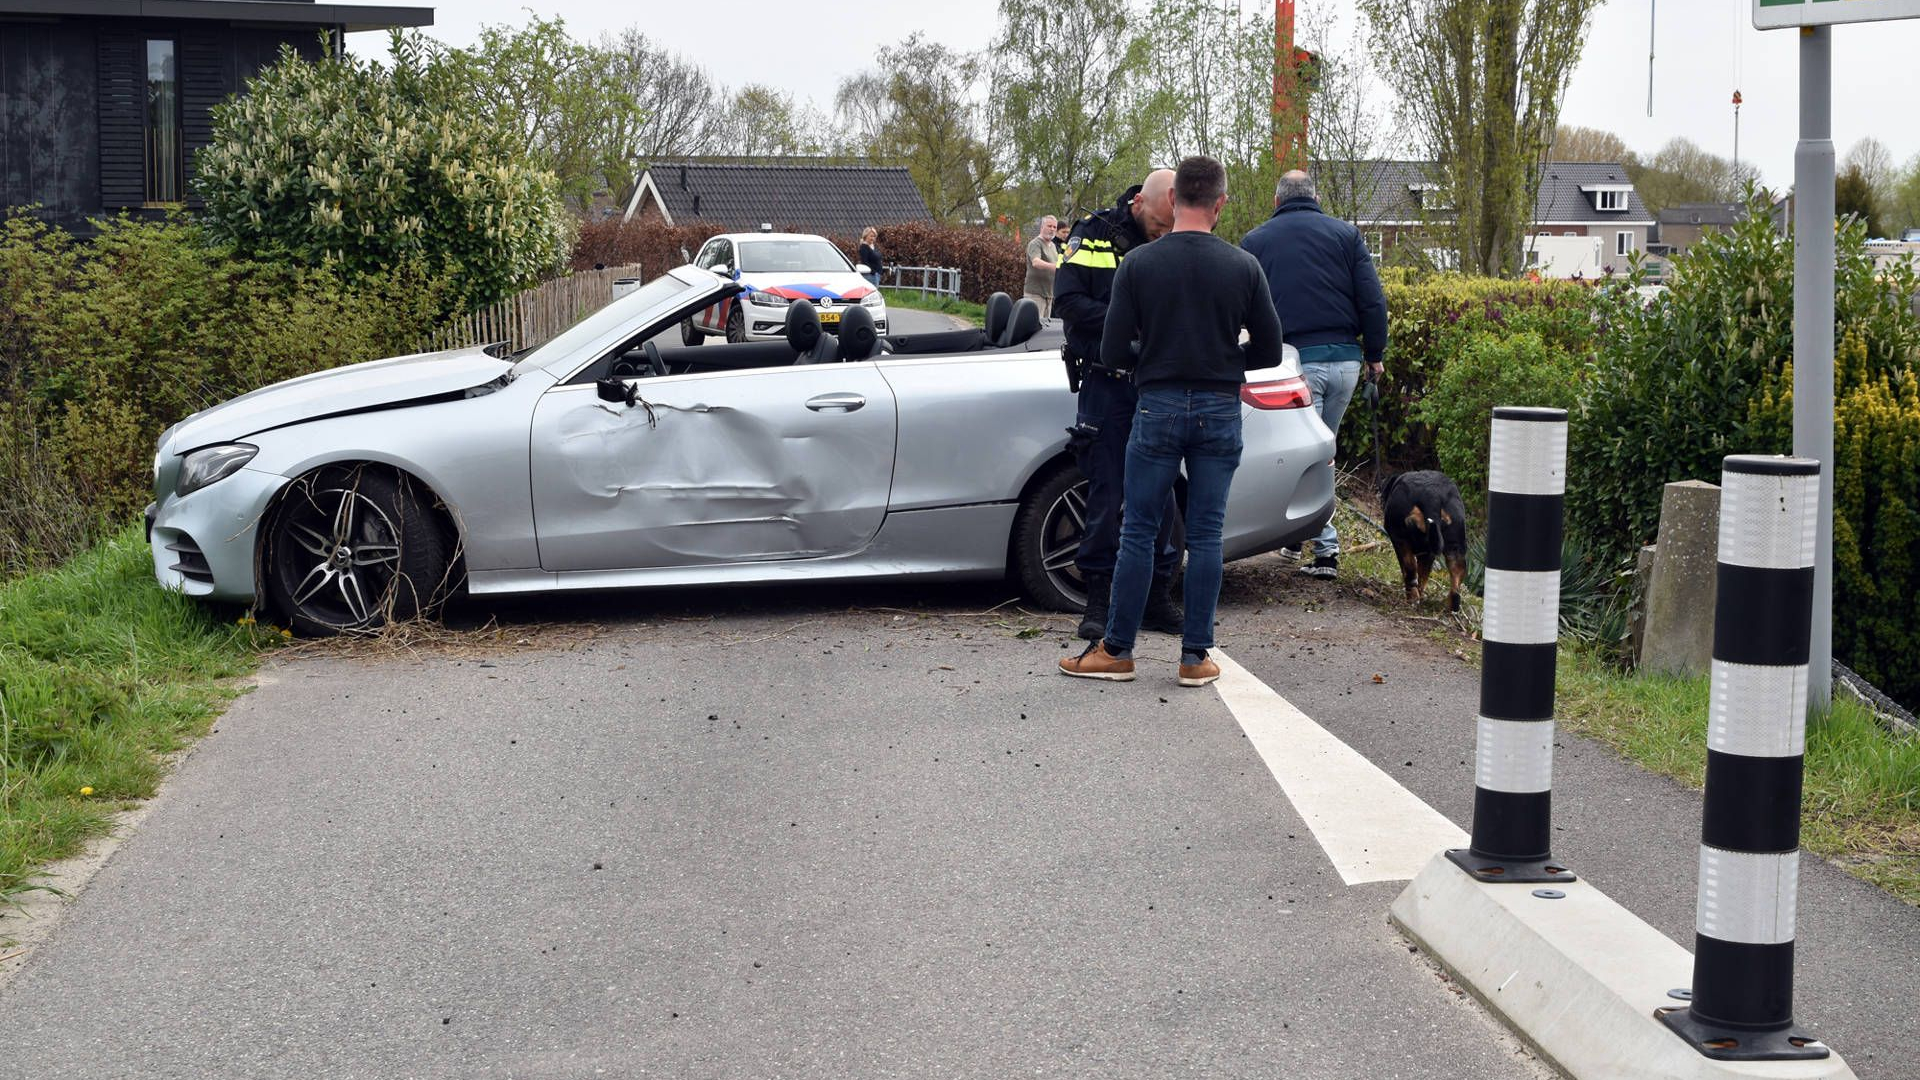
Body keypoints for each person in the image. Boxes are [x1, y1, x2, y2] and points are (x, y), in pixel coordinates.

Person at [1058, 155, 1282, 688]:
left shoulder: (1139, 265)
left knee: (1137, 529)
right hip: (1219, 410)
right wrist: (1225, 363)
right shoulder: (1243, 266)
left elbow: (1113, 347)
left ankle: (1116, 651)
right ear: (1220, 204)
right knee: (1204, 535)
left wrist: (1155, 359)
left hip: (1155, 405)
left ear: (1174, 200)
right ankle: (1194, 657)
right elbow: (1270, 349)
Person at [1053, 169, 1184, 641]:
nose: (1166, 233)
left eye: (1174, 226)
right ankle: (1097, 603)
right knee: (1106, 496)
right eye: (1161, 223)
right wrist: (1129, 322)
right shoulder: (1092, 238)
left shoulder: (1175, 240)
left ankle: (1156, 599)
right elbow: (1067, 303)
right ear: (1139, 204)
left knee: (1163, 497)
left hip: (1154, 385)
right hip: (1107, 386)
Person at [1239, 169, 1388, 581]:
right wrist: (1375, 353)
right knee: (1320, 450)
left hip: (1292, 365)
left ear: (1276, 200)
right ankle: (1295, 536)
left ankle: (1325, 551)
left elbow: (1243, 304)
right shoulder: (1347, 236)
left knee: (1314, 456)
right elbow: (1372, 299)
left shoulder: (1256, 242)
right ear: (1316, 197)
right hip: (1345, 362)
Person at [1023, 215, 1063, 318]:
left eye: (1054, 227)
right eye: (1049, 226)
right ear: (1042, 227)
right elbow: (1036, 262)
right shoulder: (1035, 243)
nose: (1052, 229)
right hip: (1035, 295)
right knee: (1034, 328)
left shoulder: (1053, 246)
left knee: (1044, 331)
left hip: (1049, 296)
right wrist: (1056, 267)